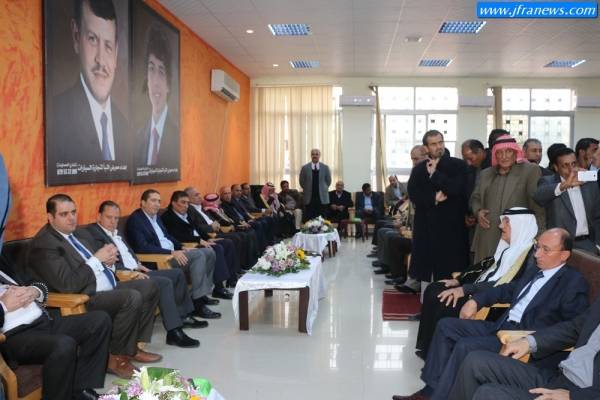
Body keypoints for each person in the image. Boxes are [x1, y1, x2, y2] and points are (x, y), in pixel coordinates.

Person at [393, 228, 589, 400]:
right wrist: (476, 300)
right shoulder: (535, 271)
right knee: (446, 326)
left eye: (546, 250)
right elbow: (506, 289)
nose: (537, 254)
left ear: (564, 255)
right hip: (500, 326)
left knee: (465, 346)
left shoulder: (573, 283)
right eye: (537, 247)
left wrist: (530, 340)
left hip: (518, 338)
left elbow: (571, 329)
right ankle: (430, 390)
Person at [27, 194, 161, 379]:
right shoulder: (45, 245)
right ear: (50, 217)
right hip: (83, 297)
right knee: (131, 297)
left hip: (105, 285)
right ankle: (114, 359)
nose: (71, 218)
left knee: (150, 285)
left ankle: (132, 348)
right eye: (64, 214)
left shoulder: (77, 234)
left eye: (73, 212)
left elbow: (97, 262)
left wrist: (109, 261)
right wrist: (98, 259)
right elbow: (68, 284)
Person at [416, 208, 538, 357]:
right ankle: (427, 348)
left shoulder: (531, 257)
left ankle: (438, 354)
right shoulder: (509, 248)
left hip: (492, 302)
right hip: (478, 289)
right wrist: (458, 280)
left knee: (444, 300)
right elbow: (483, 266)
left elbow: (508, 287)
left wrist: (466, 289)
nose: (500, 226)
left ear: (521, 225)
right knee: (434, 288)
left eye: (507, 222)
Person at [85, 200, 204, 348]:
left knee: (177, 274)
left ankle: (183, 316)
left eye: (116, 218)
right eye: (109, 217)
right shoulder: (94, 234)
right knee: (164, 283)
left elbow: (127, 253)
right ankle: (174, 331)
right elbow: (107, 262)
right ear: (99, 217)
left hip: (137, 269)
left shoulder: (115, 232)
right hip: (125, 276)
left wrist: (138, 264)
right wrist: (131, 272)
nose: (113, 221)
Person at [0, 254, 111, 400]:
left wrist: (34, 291)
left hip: (43, 322)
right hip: (13, 336)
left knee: (99, 320)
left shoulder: (3, 263)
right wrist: (4, 305)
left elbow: (39, 284)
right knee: (63, 344)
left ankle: (81, 390)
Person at [449, 294, 600, 400]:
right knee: (475, 361)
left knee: (489, 394)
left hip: (584, 393)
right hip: (561, 378)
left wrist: (574, 397)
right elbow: (574, 328)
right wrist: (528, 342)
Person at [49, 0, 128, 170]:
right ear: (76, 36)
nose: (101, 60)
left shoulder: (126, 127)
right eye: (92, 39)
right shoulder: (55, 116)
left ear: (116, 53)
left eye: (108, 46)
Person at [125, 189, 222, 319]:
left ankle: (198, 295)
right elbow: (143, 247)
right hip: (161, 259)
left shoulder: (156, 217)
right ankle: (198, 304)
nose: (157, 204)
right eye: (153, 200)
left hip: (174, 252)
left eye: (159, 201)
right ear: (143, 202)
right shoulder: (136, 220)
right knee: (199, 255)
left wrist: (181, 246)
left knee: (209, 252)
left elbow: (167, 236)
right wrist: (171, 252)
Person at [406, 130, 469, 290]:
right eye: (433, 144)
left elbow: (458, 190)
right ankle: (426, 304)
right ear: (426, 148)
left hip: (451, 230)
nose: (438, 146)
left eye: (440, 142)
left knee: (450, 275)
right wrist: (432, 198)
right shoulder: (419, 170)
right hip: (426, 229)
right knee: (427, 276)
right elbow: (414, 195)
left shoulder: (458, 165)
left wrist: (435, 174)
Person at [470, 135, 545, 263]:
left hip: (516, 237)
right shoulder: (486, 174)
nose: (504, 156)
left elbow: (537, 205)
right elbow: (475, 198)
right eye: (499, 152)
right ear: (495, 155)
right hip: (487, 235)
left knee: (511, 272)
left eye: (508, 151)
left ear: (516, 152)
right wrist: (478, 212)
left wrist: (540, 235)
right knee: (485, 272)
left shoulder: (530, 171)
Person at [161, 190, 238, 290]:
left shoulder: (186, 214)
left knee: (228, 243)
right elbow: (178, 236)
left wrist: (208, 238)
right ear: (174, 203)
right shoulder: (167, 217)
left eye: (187, 203)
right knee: (217, 248)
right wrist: (199, 240)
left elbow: (198, 228)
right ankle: (219, 288)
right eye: (183, 202)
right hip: (190, 244)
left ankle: (232, 279)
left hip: (200, 240)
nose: (186, 206)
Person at [533, 147, 600, 254]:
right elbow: (538, 196)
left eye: (573, 164)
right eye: (565, 165)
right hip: (558, 245)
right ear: (556, 167)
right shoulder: (548, 181)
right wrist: (564, 185)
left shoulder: (588, 183)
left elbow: (597, 216)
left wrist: (597, 244)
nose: (571, 169)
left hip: (587, 244)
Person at [134, 23, 179, 172]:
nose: (155, 81)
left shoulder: (177, 137)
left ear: (169, 84)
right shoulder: (138, 139)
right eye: (151, 69)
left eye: (161, 71)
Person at [184, 186, 255, 269]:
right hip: (210, 234)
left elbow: (216, 221)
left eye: (199, 194)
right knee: (234, 239)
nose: (200, 196)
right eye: (196, 195)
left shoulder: (201, 207)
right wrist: (212, 227)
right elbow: (198, 226)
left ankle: (245, 264)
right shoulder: (190, 210)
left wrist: (218, 225)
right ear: (188, 198)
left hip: (218, 230)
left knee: (244, 233)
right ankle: (236, 269)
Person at [299, 148, 332, 220]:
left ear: (319, 156)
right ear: (311, 155)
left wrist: (323, 188)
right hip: (309, 197)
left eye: (317, 154)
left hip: (322, 197)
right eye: (313, 154)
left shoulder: (325, 167)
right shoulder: (305, 168)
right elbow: (301, 181)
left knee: (322, 218)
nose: (315, 156)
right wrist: (307, 188)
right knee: (309, 218)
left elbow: (328, 181)